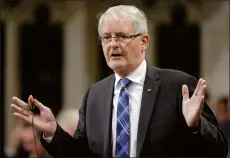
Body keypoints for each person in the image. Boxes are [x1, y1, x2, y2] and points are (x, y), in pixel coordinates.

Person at [10, 5, 228, 157]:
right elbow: (81, 154)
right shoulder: (95, 95)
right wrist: (52, 131)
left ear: (144, 42)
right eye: (106, 37)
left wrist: (195, 126)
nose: (113, 44)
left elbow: (219, 150)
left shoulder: (178, 86)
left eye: (122, 36)